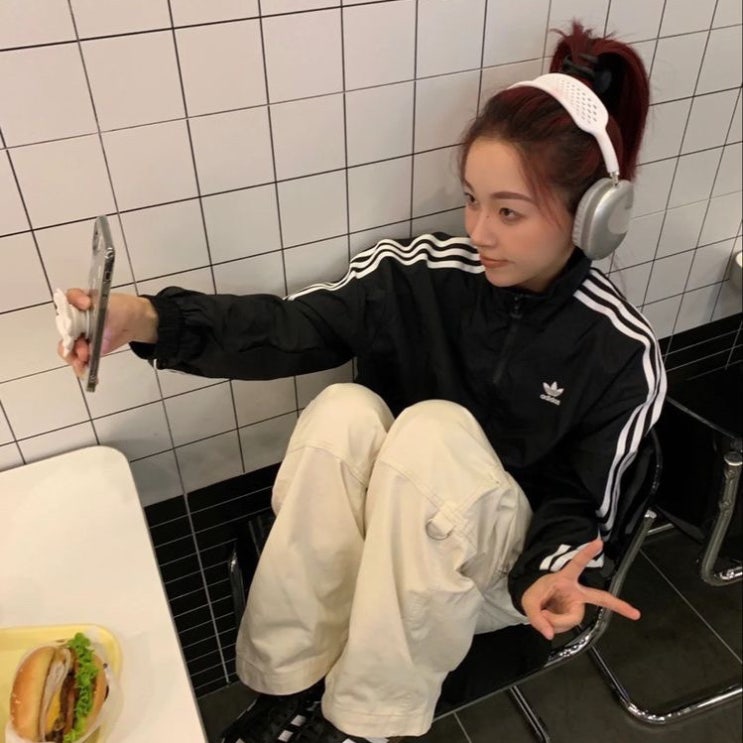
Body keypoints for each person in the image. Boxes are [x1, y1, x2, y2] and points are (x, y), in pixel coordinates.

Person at [59, 21, 665, 743]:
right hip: (390, 546)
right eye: (472, 200)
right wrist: (148, 320)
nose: (479, 231)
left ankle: (361, 722)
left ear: (593, 216)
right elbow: (289, 327)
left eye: (508, 211)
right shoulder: (418, 274)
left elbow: (582, 501)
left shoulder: (619, 351)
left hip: (503, 575)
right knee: (345, 411)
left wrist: (550, 570)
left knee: (432, 429)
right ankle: (288, 687)